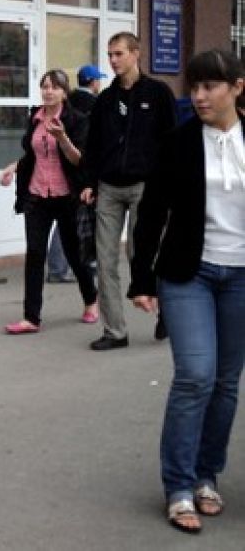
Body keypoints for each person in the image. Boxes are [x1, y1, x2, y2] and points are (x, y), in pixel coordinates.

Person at [127, 49, 245, 534]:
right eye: (193, 87)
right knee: (195, 375)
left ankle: (204, 476)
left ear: (237, 86)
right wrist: (141, 278)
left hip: (241, 276)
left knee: (225, 382)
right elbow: (152, 213)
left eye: (209, 87)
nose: (198, 96)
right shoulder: (178, 143)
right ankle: (178, 486)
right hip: (188, 274)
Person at [80, 32, 176, 350]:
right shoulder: (105, 100)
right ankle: (115, 332)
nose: (113, 60)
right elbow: (93, 146)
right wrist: (88, 183)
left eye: (119, 53)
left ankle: (167, 312)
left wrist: (167, 186)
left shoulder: (159, 94)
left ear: (136, 53)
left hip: (144, 188)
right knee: (105, 261)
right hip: (109, 187)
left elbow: (171, 142)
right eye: (110, 54)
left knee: (142, 257)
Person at [0, 69, 99, 333]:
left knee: (75, 255)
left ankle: (91, 300)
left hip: (66, 196)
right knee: (35, 255)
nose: (48, 91)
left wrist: (62, 138)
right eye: (44, 86)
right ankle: (31, 318)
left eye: (54, 87)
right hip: (37, 195)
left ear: (64, 92)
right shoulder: (35, 118)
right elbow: (33, 156)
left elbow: (80, 160)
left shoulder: (76, 120)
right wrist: (13, 167)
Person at [46, 63, 107, 282]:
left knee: (68, 219)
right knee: (77, 219)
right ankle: (65, 268)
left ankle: (62, 266)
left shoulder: (67, 102)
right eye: (98, 80)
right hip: (83, 167)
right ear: (93, 82)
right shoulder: (96, 104)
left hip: (63, 166)